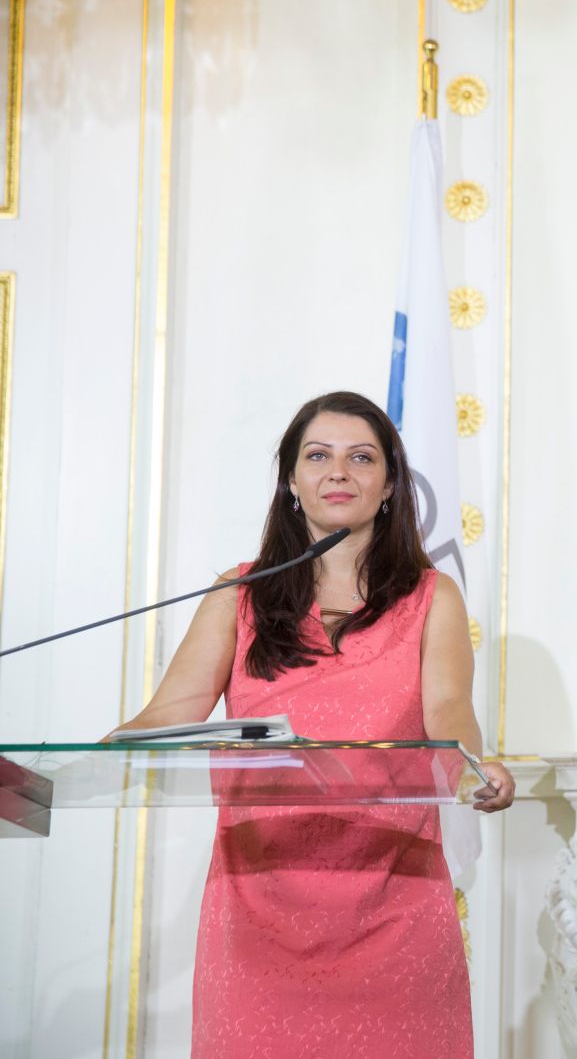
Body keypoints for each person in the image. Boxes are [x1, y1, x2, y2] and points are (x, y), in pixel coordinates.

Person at [109, 391, 514, 1059]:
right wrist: (77, 754)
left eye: (361, 457)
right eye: (318, 455)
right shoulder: (237, 592)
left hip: (395, 912)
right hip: (255, 921)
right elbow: (167, 715)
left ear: (389, 484)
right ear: (291, 480)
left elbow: (448, 712)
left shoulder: (430, 594)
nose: (338, 472)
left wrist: (477, 763)